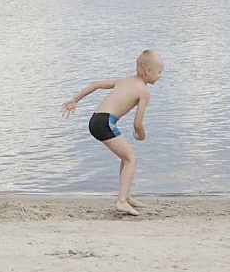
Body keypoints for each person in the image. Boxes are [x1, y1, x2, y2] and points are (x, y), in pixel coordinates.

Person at [62, 50, 164, 216]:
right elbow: (137, 123)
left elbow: (96, 84)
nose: (160, 76)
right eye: (159, 72)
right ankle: (122, 201)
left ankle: (126, 196)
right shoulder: (143, 92)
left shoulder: (125, 81)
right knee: (131, 159)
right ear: (148, 71)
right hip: (105, 123)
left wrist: (75, 99)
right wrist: (142, 135)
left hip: (96, 120)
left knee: (126, 157)